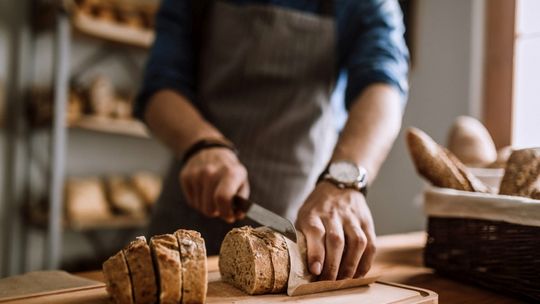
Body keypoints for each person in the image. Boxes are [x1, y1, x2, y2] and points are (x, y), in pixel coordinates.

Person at [135, 0, 409, 281]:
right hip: (194, 195)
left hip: (295, 216)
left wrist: (346, 180)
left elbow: (383, 85)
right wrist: (202, 144)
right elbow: (160, 86)